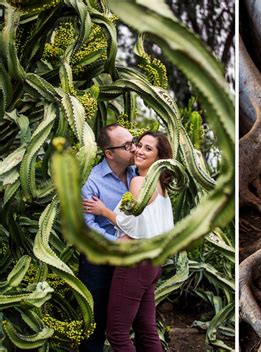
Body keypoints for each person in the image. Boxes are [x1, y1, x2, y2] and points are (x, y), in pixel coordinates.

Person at [83, 131, 174, 352]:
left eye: (147, 148)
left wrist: (105, 211)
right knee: (146, 328)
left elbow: (134, 227)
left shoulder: (138, 181)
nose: (138, 150)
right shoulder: (160, 184)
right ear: (109, 153)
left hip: (134, 262)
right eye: (137, 145)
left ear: (159, 157)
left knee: (117, 334)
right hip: (152, 263)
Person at [79, 123, 137, 351]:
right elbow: (87, 227)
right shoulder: (92, 182)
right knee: (95, 324)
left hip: (130, 259)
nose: (134, 149)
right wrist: (116, 243)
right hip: (99, 261)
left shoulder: (137, 174)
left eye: (134, 142)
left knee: (126, 323)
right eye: (127, 145)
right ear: (110, 153)